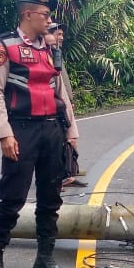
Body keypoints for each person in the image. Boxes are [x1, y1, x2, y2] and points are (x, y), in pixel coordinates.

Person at [0, 0, 69, 268]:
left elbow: (61, 92)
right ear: (27, 14)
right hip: (21, 130)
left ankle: (44, 257)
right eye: (45, 15)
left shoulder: (50, 48)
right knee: (12, 197)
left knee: (51, 197)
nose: (49, 20)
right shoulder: (4, 46)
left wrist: (71, 134)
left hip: (51, 129)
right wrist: (4, 134)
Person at [45, 23, 86, 189]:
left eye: (62, 34)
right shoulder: (42, 53)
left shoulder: (56, 53)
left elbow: (62, 81)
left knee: (67, 141)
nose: (61, 37)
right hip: (50, 109)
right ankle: (58, 178)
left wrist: (69, 100)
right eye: (57, 34)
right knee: (56, 145)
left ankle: (68, 174)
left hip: (62, 105)